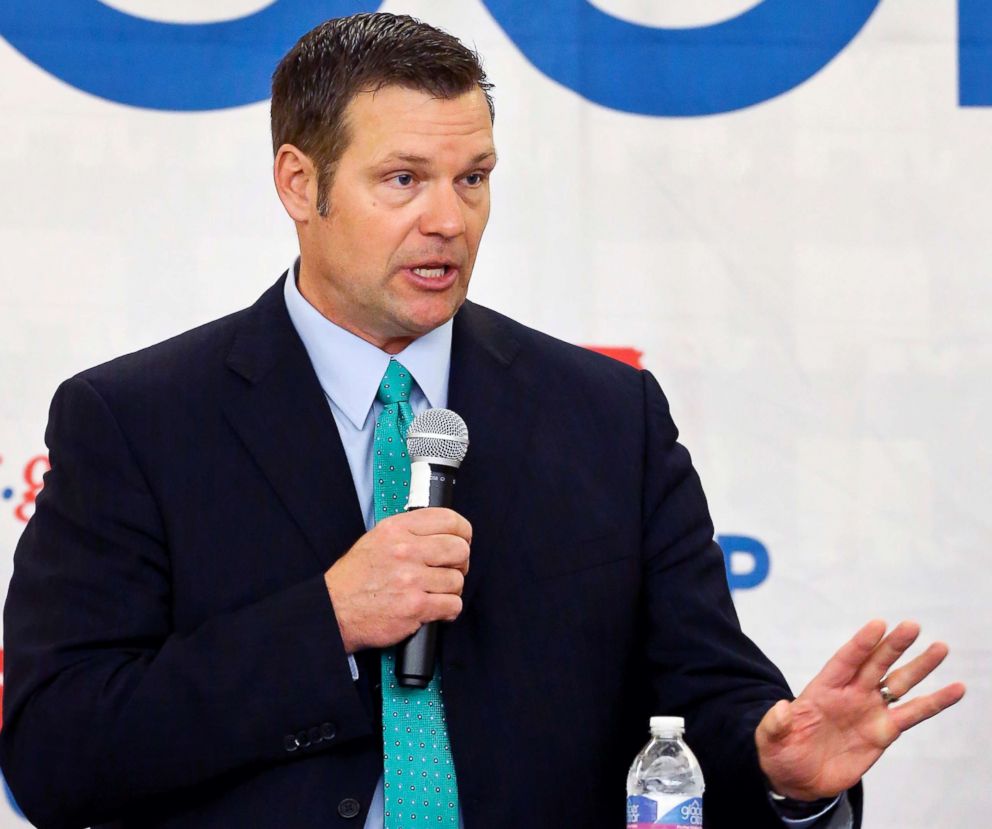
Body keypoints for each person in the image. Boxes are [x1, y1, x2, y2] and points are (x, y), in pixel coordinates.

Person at [0, 13, 964, 829]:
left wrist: (777, 770)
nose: (449, 220)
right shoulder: (136, 421)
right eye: (403, 180)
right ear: (300, 184)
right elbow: (54, 751)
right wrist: (325, 621)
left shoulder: (605, 417)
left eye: (474, 177)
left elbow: (701, 702)